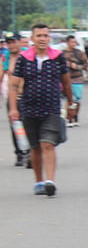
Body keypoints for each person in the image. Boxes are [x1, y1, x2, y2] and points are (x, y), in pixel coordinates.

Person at [7, 24, 76, 196]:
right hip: (29, 109)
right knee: (35, 147)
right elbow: (14, 86)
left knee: (48, 144)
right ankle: (38, 181)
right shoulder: (24, 58)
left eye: (45, 35)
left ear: (49, 38)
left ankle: (50, 181)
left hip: (51, 108)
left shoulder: (57, 57)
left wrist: (71, 104)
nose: (42, 38)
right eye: (39, 35)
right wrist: (13, 109)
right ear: (32, 39)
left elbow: (66, 82)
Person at [1, 35, 30, 167]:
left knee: (28, 124)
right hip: (12, 96)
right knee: (15, 125)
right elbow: (1, 74)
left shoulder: (27, 54)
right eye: (9, 43)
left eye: (13, 42)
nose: (11, 45)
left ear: (19, 42)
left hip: (27, 95)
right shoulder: (6, 57)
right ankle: (20, 153)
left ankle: (30, 151)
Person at [63, 35, 87, 127]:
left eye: (75, 42)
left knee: (77, 99)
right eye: (72, 42)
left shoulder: (79, 53)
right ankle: (69, 117)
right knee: (69, 99)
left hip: (78, 78)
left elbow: (85, 64)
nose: (74, 44)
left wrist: (77, 67)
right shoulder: (62, 54)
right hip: (67, 79)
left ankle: (76, 116)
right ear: (67, 42)